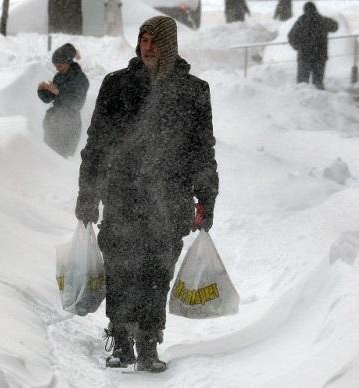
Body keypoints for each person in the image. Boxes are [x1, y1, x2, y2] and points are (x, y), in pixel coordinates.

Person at [75, 16, 218, 372]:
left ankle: (149, 342)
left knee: (157, 271)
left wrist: (206, 199)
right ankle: (122, 339)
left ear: (169, 45)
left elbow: (202, 150)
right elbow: (96, 145)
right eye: (143, 39)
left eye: (155, 41)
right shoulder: (117, 85)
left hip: (169, 198)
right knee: (121, 267)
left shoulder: (193, 91)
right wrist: (87, 194)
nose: (147, 47)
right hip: (122, 192)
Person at [38, 43, 90, 158]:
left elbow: (77, 103)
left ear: (68, 62)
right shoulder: (58, 77)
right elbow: (49, 99)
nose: (57, 68)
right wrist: (42, 90)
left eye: (60, 66)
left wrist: (58, 92)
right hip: (53, 123)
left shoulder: (81, 79)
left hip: (69, 125)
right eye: (55, 66)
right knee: (48, 156)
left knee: (60, 158)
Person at [288, 2, 338, 90]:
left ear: (304, 10)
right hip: (320, 57)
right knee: (318, 82)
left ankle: (301, 102)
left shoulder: (301, 21)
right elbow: (335, 27)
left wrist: (298, 47)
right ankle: (320, 101)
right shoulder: (322, 20)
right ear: (315, 9)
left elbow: (291, 36)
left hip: (304, 56)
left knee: (302, 83)